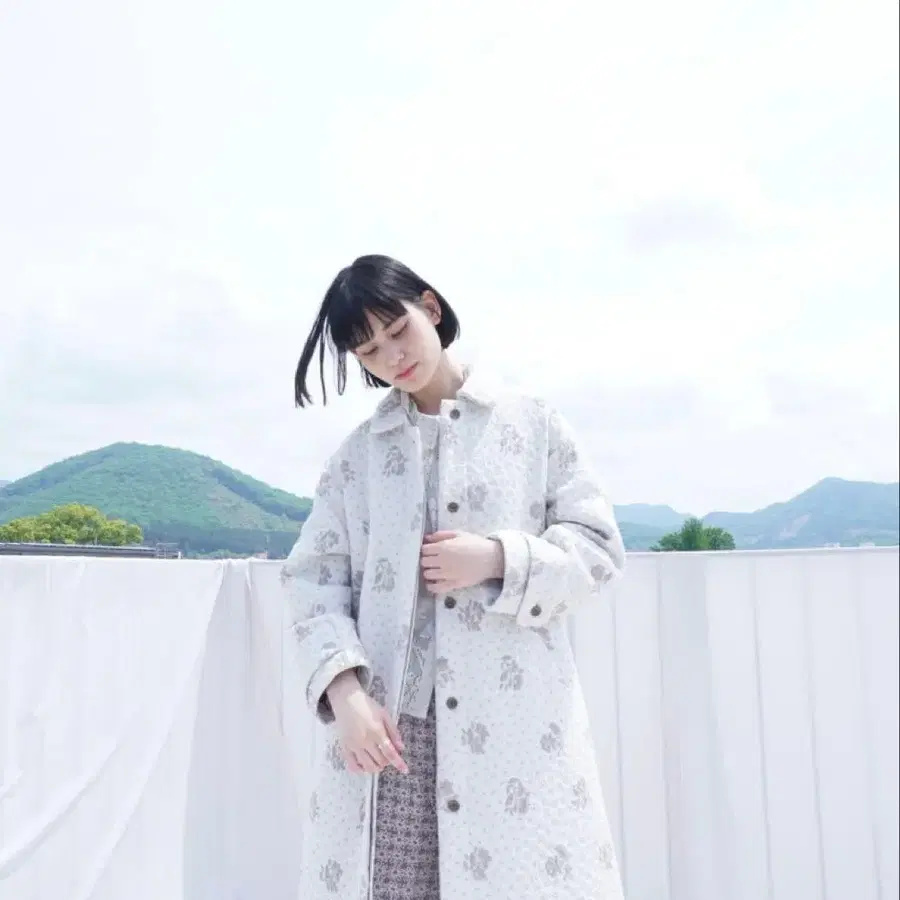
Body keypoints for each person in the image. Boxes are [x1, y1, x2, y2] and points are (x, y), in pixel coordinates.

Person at [281, 254, 627, 900]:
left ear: (431, 308)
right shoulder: (357, 459)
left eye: (398, 330)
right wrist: (345, 695)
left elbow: (598, 547)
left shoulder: (531, 423)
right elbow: (311, 582)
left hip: (513, 729)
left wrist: (497, 558)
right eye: (369, 350)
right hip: (393, 735)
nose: (391, 357)